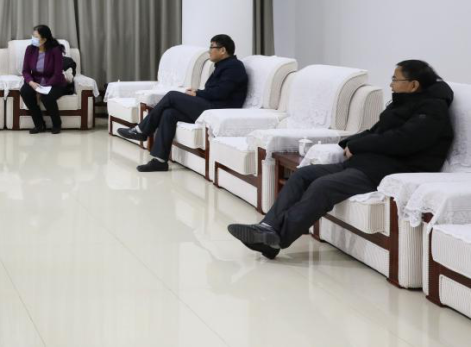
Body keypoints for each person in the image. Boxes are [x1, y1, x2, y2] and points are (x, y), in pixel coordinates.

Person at [229, 60, 454, 259]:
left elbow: (403, 141)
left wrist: (357, 146)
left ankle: (276, 238)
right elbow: (376, 131)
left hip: (390, 170)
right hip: (364, 164)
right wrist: (347, 143)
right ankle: (267, 228)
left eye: (395, 79)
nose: (391, 84)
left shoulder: (432, 110)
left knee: (323, 186)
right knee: (303, 174)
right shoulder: (402, 104)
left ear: (413, 85)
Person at [118, 34, 248, 172]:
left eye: (212, 47)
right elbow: (216, 90)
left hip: (219, 110)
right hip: (212, 106)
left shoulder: (234, 67)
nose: (209, 51)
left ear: (223, 50)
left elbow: (221, 93)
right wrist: (198, 92)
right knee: (169, 113)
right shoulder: (223, 66)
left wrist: (198, 94)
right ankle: (160, 161)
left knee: (172, 96)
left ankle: (141, 130)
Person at [20, 25, 68, 134]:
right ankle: (39, 124)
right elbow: (25, 71)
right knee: (25, 92)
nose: (33, 39)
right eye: (33, 36)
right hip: (36, 81)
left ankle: (57, 124)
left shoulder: (55, 50)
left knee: (47, 97)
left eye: (36, 37)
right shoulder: (30, 49)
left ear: (44, 39)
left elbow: (57, 74)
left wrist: (42, 89)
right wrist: (31, 83)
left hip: (54, 82)